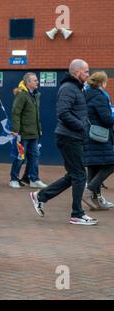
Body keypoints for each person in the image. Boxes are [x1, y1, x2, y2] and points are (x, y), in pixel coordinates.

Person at [29, 59, 98, 226]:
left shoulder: (78, 88)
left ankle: (41, 196)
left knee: (74, 175)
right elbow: (63, 113)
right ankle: (77, 214)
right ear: (76, 72)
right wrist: (82, 126)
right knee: (80, 175)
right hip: (69, 137)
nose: (88, 75)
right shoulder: (68, 88)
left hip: (74, 137)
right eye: (86, 71)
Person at [9, 73, 47, 189]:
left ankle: (33, 179)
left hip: (34, 134)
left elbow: (36, 115)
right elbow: (15, 113)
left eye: (37, 80)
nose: (37, 82)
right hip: (23, 134)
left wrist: (38, 130)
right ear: (28, 82)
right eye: (35, 80)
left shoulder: (36, 95)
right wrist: (16, 130)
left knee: (35, 157)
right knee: (20, 157)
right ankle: (14, 179)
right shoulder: (22, 95)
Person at [82, 71, 114, 210]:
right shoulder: (100, 96)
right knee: (111, 163)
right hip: (100, 136)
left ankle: (95, 201)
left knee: (93, 167)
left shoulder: (87, 94)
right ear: (102, 82)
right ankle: (89, 191)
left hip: (89, 134)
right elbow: (107, 120)